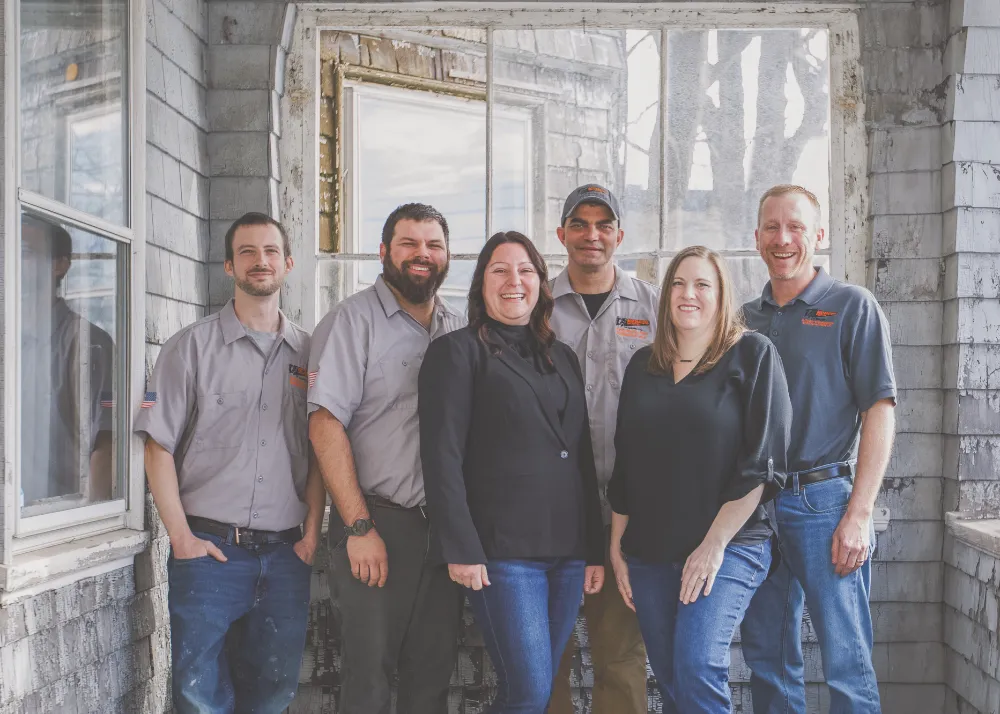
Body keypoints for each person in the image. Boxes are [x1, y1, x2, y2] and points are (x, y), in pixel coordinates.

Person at [136, 212, 326, 713]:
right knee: (200, 699)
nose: (259, 262)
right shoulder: (190, 348)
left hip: (286, 556)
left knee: (272, 695)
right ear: (228, 265)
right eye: (246, 252)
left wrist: (310, 536)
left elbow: (321, 451)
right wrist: (181, 539)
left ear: (287, 263)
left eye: (269, 252)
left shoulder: (311, 355)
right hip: (210, 554)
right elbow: (157, 447)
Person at [419, 231, 605, 714]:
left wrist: (592, 549)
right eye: (499, 270)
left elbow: (579, 454)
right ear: (481, 283)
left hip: (566, 552)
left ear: (541, 283)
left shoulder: (561, 356)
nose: (513, 281)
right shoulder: (457, 352)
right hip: (502, 553)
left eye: (525, 270)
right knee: (529, 690)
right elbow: (442, 458)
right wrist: (459, 547)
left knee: (533, 691)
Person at [608, 245, 792, 714]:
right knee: (671, 679)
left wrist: (713, 546)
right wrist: (617, 544)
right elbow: (626, 463)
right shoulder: (642, 367)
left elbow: (762, 463)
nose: (688, 294)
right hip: (649, 551)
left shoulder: (752, 354)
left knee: (696, 667)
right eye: (678, 283)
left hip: (730, 545)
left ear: (721, 294)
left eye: (702, 284)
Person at [739, 185, 896, 714]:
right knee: (768, 659)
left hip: (825, 503)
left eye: (796, 227)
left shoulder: (852, 306)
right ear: (757, 236)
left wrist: (860, 513)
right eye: (772, 227)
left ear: (819, 235)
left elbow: (881, 411)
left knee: (846, 662)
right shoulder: (741, 320)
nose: (783, 239)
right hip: (755, 508)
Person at [307, 203, 465, 714]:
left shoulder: (459, 328)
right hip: (376, 524)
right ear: (383, 252)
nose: (422, 254)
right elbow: (324, 423)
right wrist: (357, 527)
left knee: (432, 676)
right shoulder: (352, 322)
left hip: (441, 534)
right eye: (409, 244)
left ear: (447, 257)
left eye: (433, 245)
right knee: (369, 680)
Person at [547, 184, 658, 714]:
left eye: (603, 224)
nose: (592, 235)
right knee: (547, 654)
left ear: (619, 234)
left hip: (627, 509)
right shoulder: (535, 308)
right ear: (562, 232)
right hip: (549, 510)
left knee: (620, 656)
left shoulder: (653, 306)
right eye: (580, 223)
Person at [21, 214, 114, 506]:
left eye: (24, 253)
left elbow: (107, 440)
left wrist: (92, 522)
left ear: (60, 265)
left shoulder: (88, 343)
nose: (10, 263)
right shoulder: (9, 338)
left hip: (57, 516)